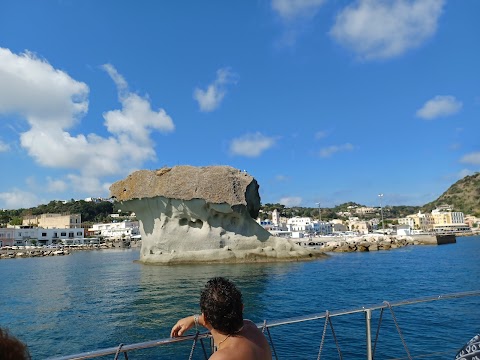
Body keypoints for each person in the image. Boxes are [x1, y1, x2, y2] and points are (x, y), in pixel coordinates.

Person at [171, 277, 272, 360]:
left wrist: (198, 319)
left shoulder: (221, 357)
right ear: (242, 308)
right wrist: (195, 319)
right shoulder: (252, 329)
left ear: (205, 318)